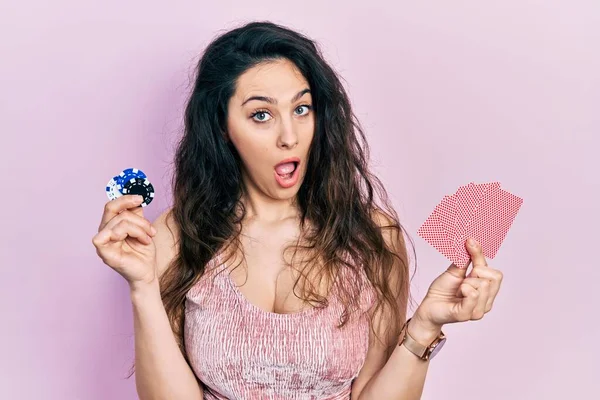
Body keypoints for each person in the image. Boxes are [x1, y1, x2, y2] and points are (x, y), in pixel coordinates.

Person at [92, 21, 503, 400]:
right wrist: (142, 286)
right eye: (261, 115)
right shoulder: (177, 235)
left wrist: (426, 325)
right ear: (222, 126)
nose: (290, 136)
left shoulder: (372, 237)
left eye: (301, 109)